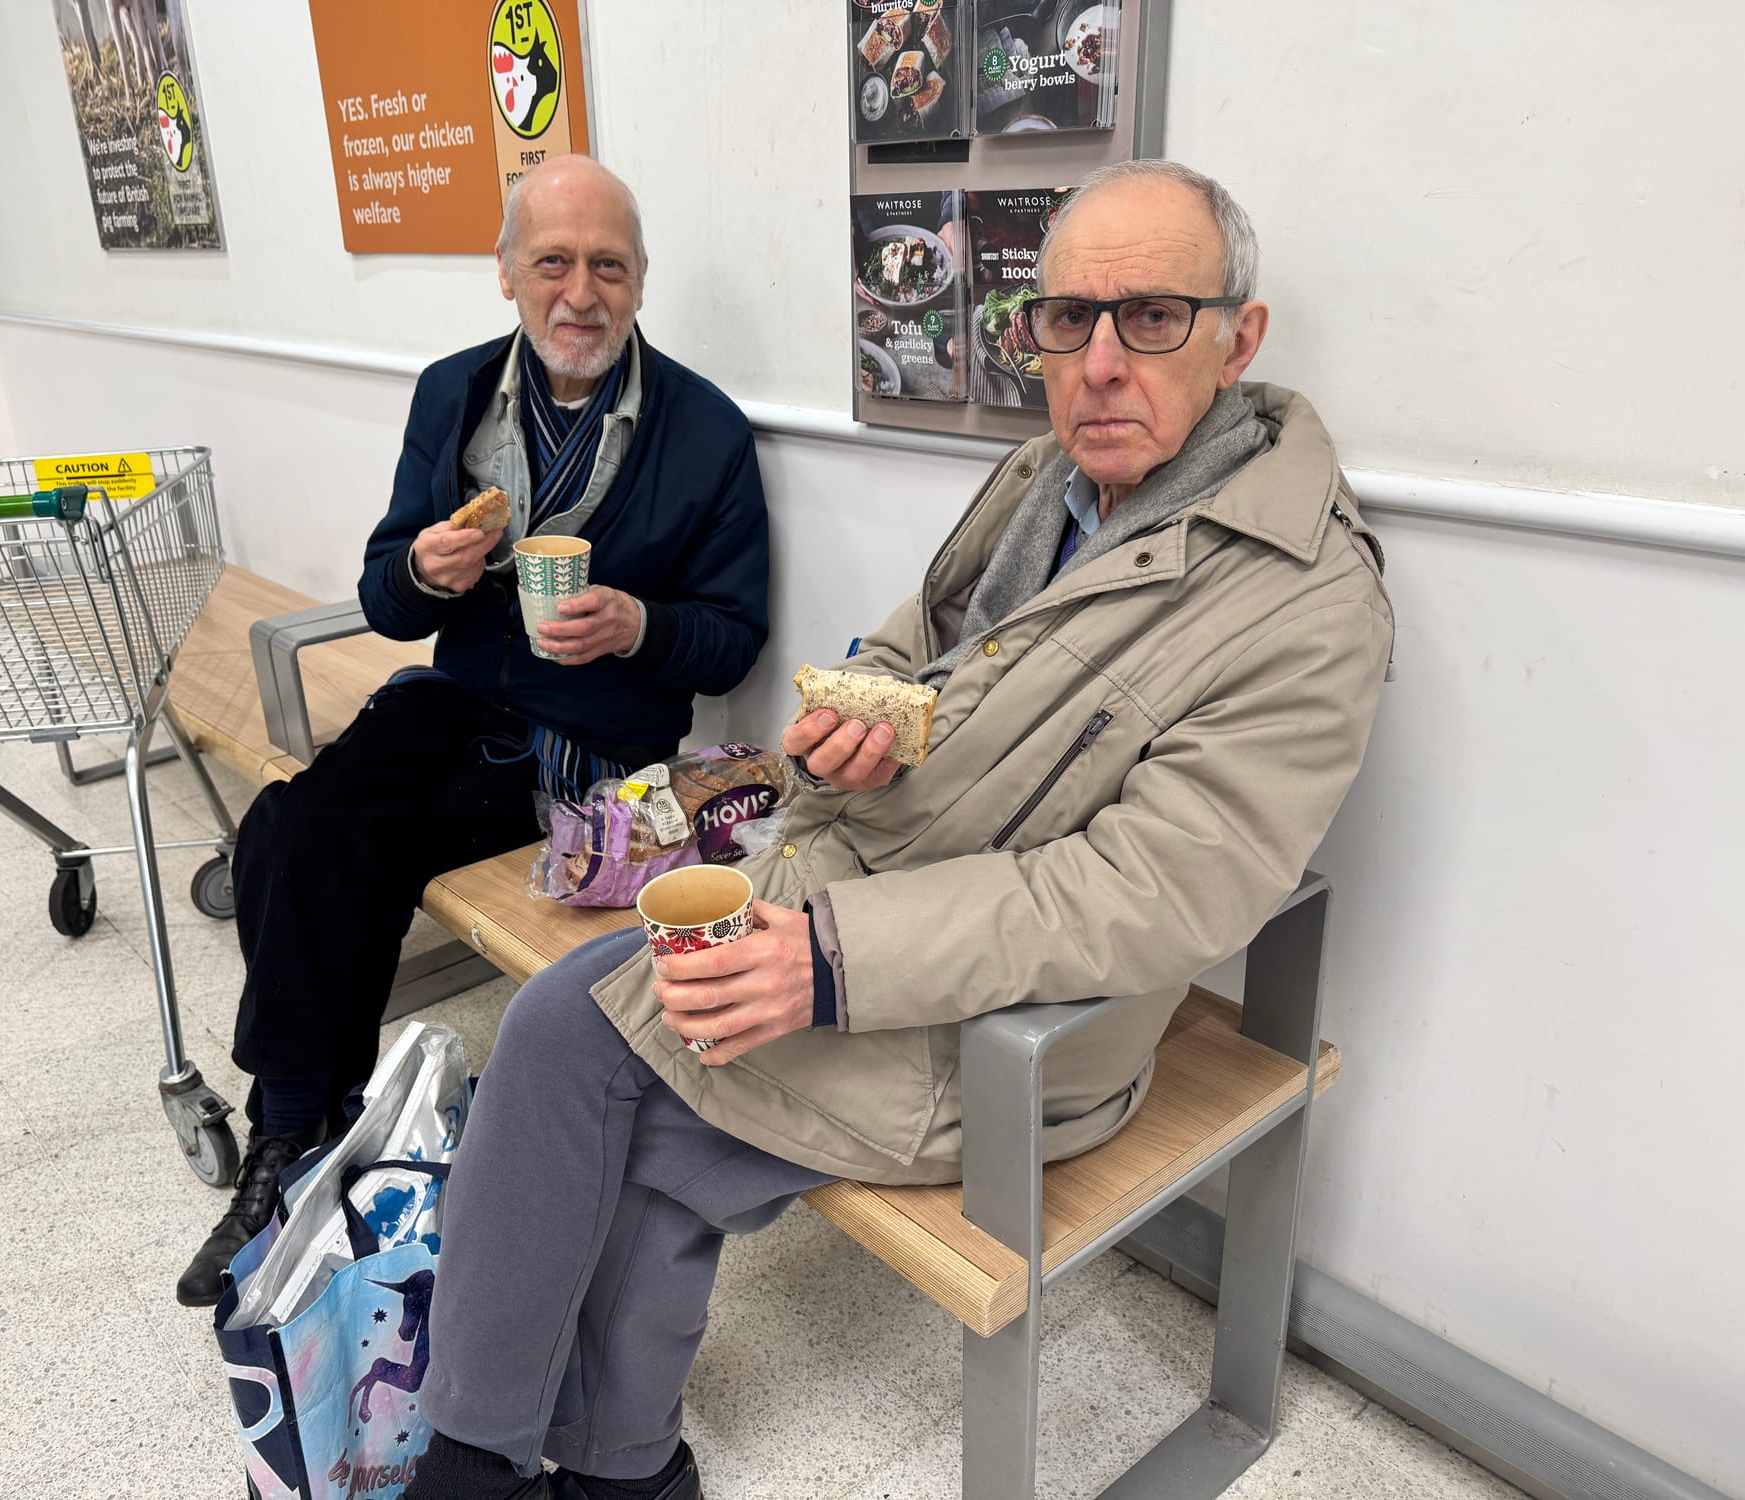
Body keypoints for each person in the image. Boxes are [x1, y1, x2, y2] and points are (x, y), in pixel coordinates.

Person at [406, 159, 1395, 1500]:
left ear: (1241, 336)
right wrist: (864, 712)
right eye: (1065, 320)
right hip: (861, 886)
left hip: (1012, 1030)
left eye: (1152, 317)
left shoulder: (1309, 600)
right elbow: (919, 633)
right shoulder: (1045, 476)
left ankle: (524, 1469)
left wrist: (826, 956)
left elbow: (1158, 891)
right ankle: (589, 1469)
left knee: (591, 1078)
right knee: (574, 1044)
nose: (1100, 363)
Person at [174, 158, 772, 1307]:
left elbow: (730, 644)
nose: (579, 293)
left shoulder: (703, 432)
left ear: (641, 281)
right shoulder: (452, 398)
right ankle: (295, 1131)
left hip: (594, 756)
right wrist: (418, 568)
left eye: (607, 266)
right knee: (287, 825)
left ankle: (303, 1136)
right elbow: (390, 602)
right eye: (552, 262)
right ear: (506, 275)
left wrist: (638, 626)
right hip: (456, 703)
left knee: (348, 841)